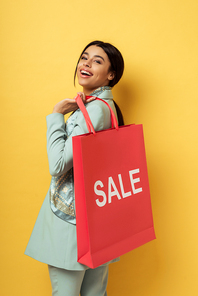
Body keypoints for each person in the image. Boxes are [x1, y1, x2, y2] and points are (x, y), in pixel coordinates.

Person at [25, 40, 124, 296]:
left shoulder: (93, 111)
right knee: (95, 292)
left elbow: (58, 165)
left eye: (97, 61)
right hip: (100, 219)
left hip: (72, 223)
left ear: (111, 75)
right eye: (84, 57)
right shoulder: (106, 108)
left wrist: (57, 115)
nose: (86, 64)